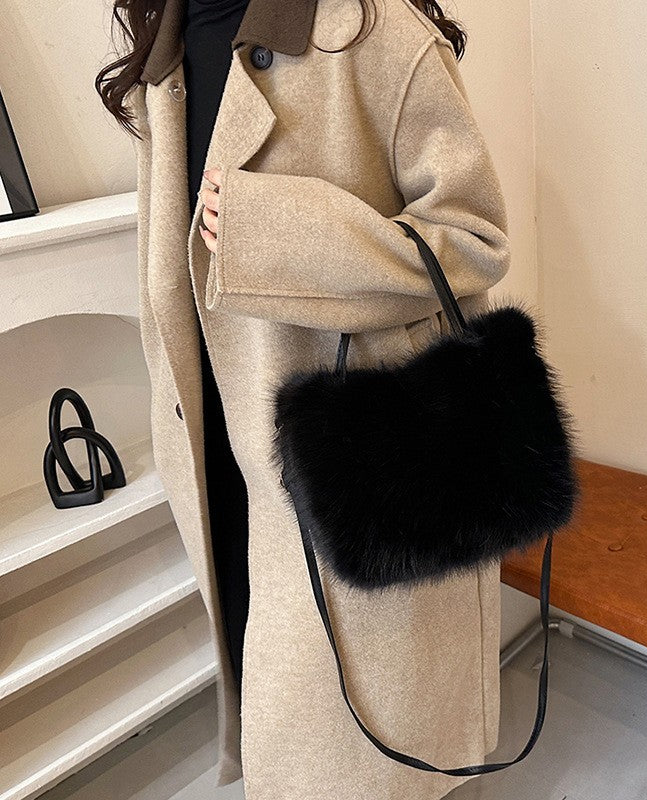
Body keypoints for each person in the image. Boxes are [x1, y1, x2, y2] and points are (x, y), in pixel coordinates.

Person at [97, 1, 512, 798]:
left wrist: (282, 231)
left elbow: (473, 239)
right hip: (221, 461)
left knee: (357, 748)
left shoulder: (374, 31)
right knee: (287, 715)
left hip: (347, 460)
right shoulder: (163, 54)